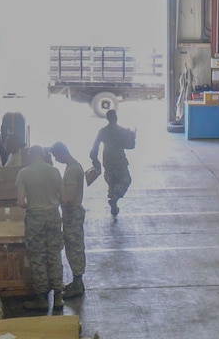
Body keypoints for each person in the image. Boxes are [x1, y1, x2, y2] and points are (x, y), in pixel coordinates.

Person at [15, 145, 67, 309]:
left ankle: (42, 299)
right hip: (53, 216)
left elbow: (21, 202)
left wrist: (31, 203)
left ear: (30, 156)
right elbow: (63, 197)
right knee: (54, 255)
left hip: (35, 218)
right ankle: (59, 297)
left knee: (37, 258)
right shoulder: (55, 171)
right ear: (44, 156)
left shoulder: (24, 173)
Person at [49, 142, 86, 298]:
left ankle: (78, 283)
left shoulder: (72, 170)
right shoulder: (73, 167)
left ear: (62, 153)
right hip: (72, 213)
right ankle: (77, 281)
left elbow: (69, 197)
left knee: (74, 247)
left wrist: (54, 198)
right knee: (74, 246)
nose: (56, 160)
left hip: (72, 212)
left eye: (56, 156)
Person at [89, 109, 135, 218]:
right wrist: (132, 136)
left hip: (107, 160)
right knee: (125, 180)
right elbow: (130, 146)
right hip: (119, 159)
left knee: (111, 181)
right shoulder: (122, 131)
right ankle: (114, 199)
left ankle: (113, 206)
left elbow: (95, 147)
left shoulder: (103, 131)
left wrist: (95, 160)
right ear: (116, 118)